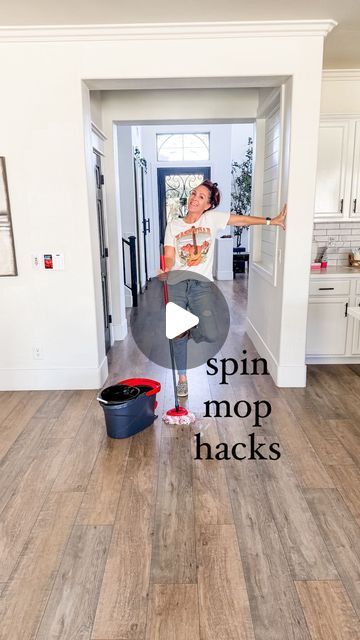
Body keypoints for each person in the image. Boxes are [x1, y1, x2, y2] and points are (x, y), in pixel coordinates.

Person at [160, 179, 287, 397]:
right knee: (177, 335)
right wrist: (165, 268)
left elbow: (242, 220)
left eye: (201, 197)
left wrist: (271, 221)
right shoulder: (173, 225)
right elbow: (170, 256)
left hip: (201, 284)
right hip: (177, 283)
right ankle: (182, 378)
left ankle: (188, 330)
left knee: (210, 333)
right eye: (193, 194)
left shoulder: (212, 219)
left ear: (208, 205)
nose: (194, 199)